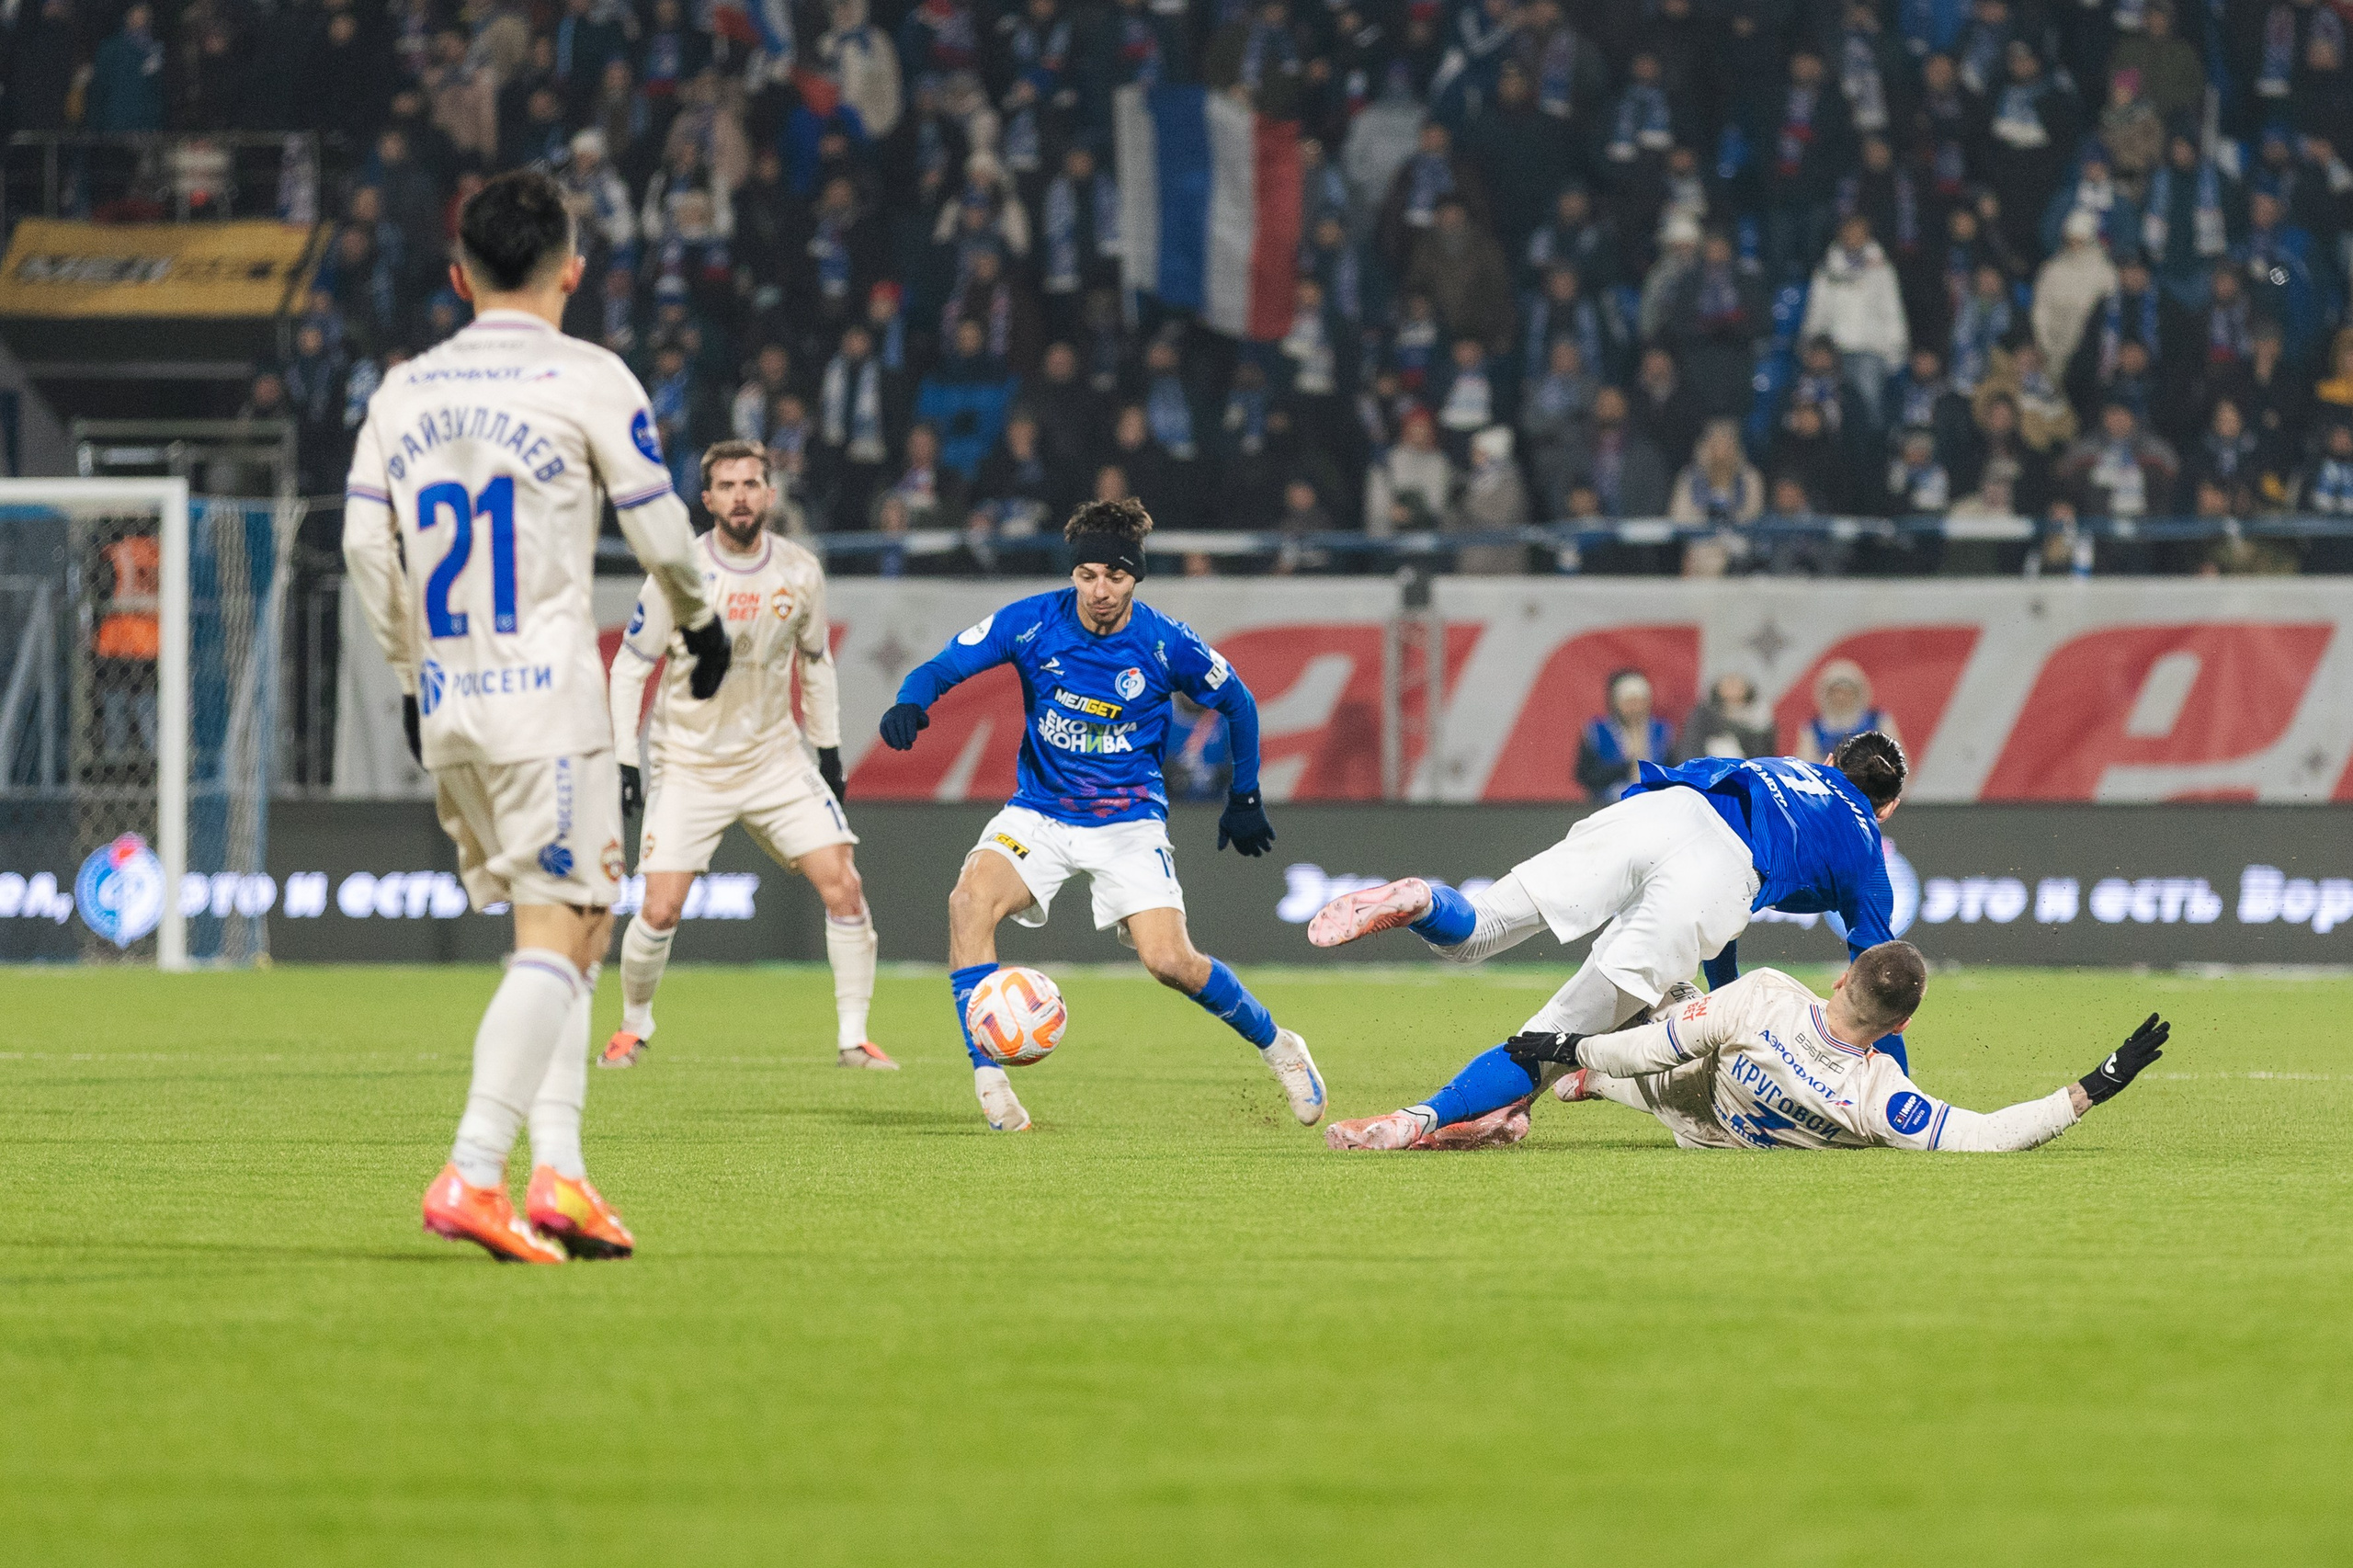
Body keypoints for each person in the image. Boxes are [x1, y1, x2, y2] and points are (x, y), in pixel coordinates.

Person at [342, 170, 731, 1264]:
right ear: (572, 268)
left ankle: (560, 1173)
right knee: (562, 927)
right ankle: (473, 1171)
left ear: (458, 275)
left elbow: (365, 548)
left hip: (450, 700)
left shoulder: (401, 390)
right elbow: (658, 525)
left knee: (573, 920)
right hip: (547, 702)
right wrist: (700, 620)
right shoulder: (589, 375)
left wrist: (409, 673)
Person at [875, 497, 1326, 1133]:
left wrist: (1245, 796)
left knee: (1170, 962)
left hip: (1127, 823)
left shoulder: (1166, 643)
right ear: (1074, 574)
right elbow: (944, 666)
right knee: (968, 903)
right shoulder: (1032, 623)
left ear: (1134, 576)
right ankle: (990, 1080)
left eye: (1114, 576)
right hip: (1039, 814)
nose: (1099, 590)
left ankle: (1280, 1046)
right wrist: (910, 702)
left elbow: (1240, 702)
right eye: (1087, 575)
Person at [1307, 733, 1914, 1145]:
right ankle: (1414, 1121)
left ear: (1830, 761)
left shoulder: (1784, 767)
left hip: (1665, 812)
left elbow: (1729, 923)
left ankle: (1421, 900)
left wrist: (1724, 999)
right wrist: (1894, 1093)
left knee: (1475, 930)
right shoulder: (1866, 849)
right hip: (1719, 878)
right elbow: (1878, 997)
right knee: (1549, 1041)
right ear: (1886, 808)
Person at [601, 440, 892, 1074]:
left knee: (844, 884)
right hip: (689, 764)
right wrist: (626, 761)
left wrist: (829, 751)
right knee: (659, 908)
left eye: (751, 484)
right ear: (708, 500)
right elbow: (630, 667)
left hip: (774, 761)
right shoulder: (678, 573)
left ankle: (855, 1039)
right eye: (728, 486)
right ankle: (632, 1027)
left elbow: (815, 662)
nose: (741, 496)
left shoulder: (799, 570)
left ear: (769, 495)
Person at [1324, 941, 2172, 1153]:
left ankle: (1509, 1100)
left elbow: (1647, 1050)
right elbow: (1990, 1136)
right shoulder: (1881, 1098)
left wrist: (1565, 1044)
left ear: (1841, 977)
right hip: (1721, 1139)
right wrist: (2100, 1081)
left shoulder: (1767, 997)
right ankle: (1532, 1105)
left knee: (1652, 994)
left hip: (1682, 1090)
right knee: (1658, 1067)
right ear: (1902, 1027)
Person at [1574, 668, 1672, 801]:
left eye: (1640, 702)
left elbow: (1673, 769)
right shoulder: (1597, 732)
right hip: (1608, 801)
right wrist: (1624, 768)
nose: (1635, 708)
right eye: (1629, 702)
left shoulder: (1662, 732)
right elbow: (1586, 775)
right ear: (1616, 703)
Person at [1795, 659, 1903, 763]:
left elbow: (1896, 761)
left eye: (1847, 693)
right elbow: (1806, 765)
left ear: (1857, 693)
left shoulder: (1878, 721)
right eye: (1836, 693)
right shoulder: (1813, 729)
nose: (1841, 698)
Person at [1673, 674, 1776, 762]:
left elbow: (1763, 757)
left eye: (1737, 681)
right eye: (1728, 681)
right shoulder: (1703, 715)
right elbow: (1690, 748)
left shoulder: (1761, 721)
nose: (1732, 686)